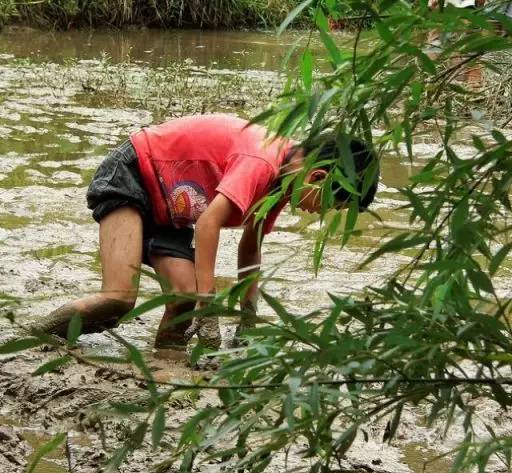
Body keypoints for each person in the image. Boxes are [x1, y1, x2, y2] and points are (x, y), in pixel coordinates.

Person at [32, 114, 379, 350]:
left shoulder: (282, 184)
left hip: (171, 209)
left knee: (183, 296)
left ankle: (165, 362)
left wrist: (248, 315)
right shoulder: (262, 161)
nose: (321, 213)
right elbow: (209, 222)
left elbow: (250, 246)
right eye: (331, 204)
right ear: (318, 178)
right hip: (133, 175)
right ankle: (27, 342)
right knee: (120, 298)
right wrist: (209, 304)